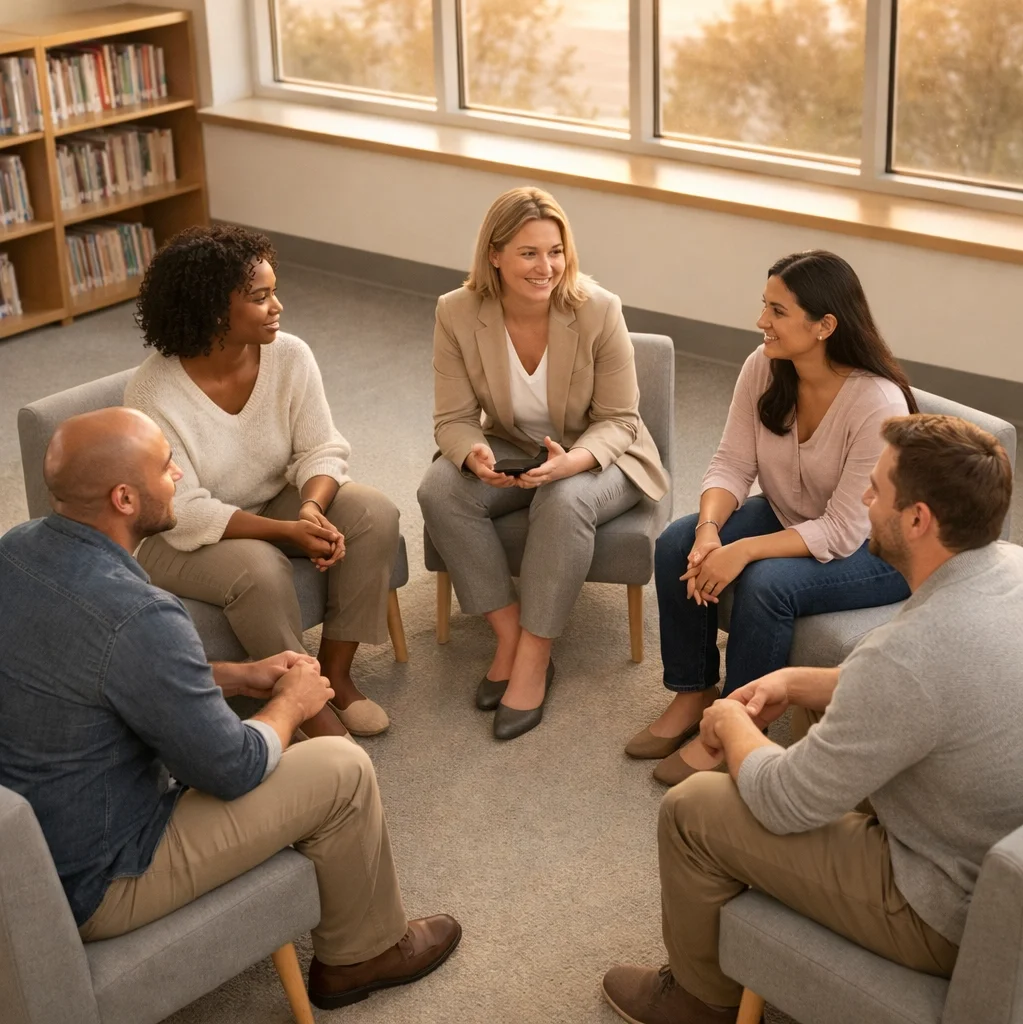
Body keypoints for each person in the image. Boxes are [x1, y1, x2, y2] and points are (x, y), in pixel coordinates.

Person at [0, 408, 461, 1010]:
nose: (177, 475)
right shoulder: (141, 615)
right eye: (166, 466)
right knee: (341, 769)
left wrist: (237, 674)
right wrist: (291, 705)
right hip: (105, 877)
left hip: (44, 844)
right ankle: (362, 956)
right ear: (124, 498)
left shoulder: (15, 551)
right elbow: (232, 768)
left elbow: (96, 672)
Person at [602, 413, 1023, 1024]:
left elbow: (784, 801)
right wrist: (798, 681)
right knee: (813, 729)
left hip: (945, 911)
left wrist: (731, 725)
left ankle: (698, 1002)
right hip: (990, 854)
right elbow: (932, 689)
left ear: (917, 519)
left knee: (691, 809)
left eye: (876, 489)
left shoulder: (907, 653)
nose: (864, 499)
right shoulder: (1008, 569)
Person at [629, 250, 915, 786]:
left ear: (825, 325)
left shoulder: (876, 402)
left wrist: (742, 550)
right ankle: (694, 693)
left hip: (877, 548)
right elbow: (732, 463)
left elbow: (844, 530)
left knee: (766, 583)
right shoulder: (763, 366)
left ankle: (737, 726)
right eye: (765, 305)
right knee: (676, 543)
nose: (762, 320)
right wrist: (709, 532)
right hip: (793, 513)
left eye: (778, 311)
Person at [126, 224, 399, 739]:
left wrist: (310, 509)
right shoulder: (152, 392)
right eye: (260, 297)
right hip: (176, 537)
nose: (277, 306)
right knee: (260, 567)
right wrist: (285, 532)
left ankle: (335, 677)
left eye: (274, 291)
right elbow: (184, 510)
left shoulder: (289, 355)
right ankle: (307, 708)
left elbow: (322, 448)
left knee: (373, 513)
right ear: (213, 310)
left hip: (270, 500)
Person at [417, 186, 669, 740]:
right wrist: (472, 453)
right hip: (512, 445)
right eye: (528, 253)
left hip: (602, 453)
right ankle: (508, 635)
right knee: (439, 489)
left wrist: (574, 461)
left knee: (563, 497)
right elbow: (453, 418)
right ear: (495, 255)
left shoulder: (598, 309)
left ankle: (534, 654)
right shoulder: (456, 311)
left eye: (555, 251)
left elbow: (620, 419)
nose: (546, 267)